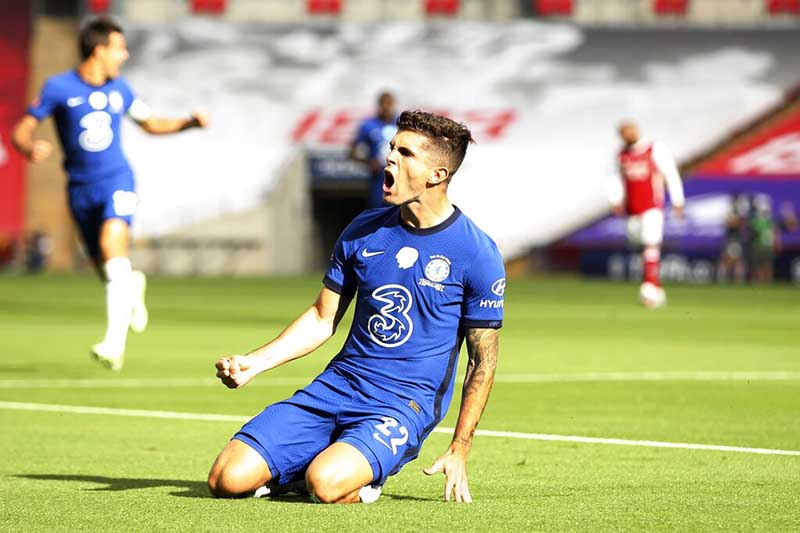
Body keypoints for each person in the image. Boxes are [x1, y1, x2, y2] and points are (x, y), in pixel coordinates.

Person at [208, 110, 505, 504]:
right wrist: (255, 362)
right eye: (391, 148)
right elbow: (320, 317)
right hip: (336, 388)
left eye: (406, 153)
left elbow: (481, 362)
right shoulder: (363, 229)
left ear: (438, 175)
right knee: (225, 479)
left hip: (401, 405)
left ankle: (354, 479)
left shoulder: (476, 253)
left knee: (327, 484)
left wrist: (460, 448)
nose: (390, 158)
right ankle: (311, 467)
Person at [11, 16, 209, 370]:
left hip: (117, 181)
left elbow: (150, 124)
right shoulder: (58, 88)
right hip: (79, 189)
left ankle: (113, 344)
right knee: (106, 268)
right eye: (119, 48)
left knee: (110, 244)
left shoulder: (121, 89)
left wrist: (188, 123)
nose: (125, 55)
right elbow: (22, 130)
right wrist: (27, 148)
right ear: (99, 50)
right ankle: (132, 283)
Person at [609, 121, 685, 308]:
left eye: (629, 131)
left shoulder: (654, 149)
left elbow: (670, 173)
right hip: (632, 209)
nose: (627, 135)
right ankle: (657, 289)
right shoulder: (621, 155)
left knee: (650, 244)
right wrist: (616, 199)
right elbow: (614, 177)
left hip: (652, 207)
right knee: (640, 246)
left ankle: (649, 290)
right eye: (623, 133)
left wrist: (677, 200)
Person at [349, 91, 398, 209]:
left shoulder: (401, 123)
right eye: (383, 103)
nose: (386, 107)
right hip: (379, 178)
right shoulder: (368, 125)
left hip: (399, 176)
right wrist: (368, 162)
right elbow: (353, 152)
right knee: (378, 211)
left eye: (389, 103)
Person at [717, 192, 750, 283]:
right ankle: (724, 278)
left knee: (736, 260)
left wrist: (735, 222)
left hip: (736, 238)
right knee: (727, 259)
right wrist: (733, 222)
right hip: (730, 238)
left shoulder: (740, 210)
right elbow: (728, 222)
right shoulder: (731, 210)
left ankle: (738, 279)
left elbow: (740, 224)